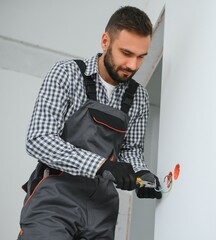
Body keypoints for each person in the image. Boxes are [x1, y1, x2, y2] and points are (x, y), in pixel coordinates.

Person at [18, 6, 162, 240]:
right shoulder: (66, 74)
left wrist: (141, 173)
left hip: (102, 211)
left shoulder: (139, 97)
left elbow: (131, 151)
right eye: (126, 53)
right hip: (55, 201)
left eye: (141, 56)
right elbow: (39, 140)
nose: (133, 65)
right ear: (106, 41)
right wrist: (102, 166)